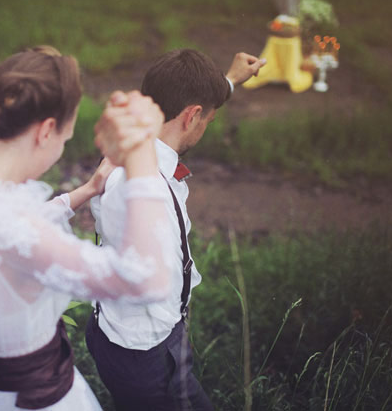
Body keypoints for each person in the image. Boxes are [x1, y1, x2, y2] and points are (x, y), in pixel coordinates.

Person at [0, 45, 177, 411]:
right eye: (64, 140)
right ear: (47, 130)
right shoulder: (14, 230)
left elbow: (5, 239)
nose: (61, 147)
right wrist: (141, 155)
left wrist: (87, 190)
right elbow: (147, 281)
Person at [86, 49, 266, 410]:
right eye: (207, 120)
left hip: (111, 331)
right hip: (146, 352)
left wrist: (227, 82)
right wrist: (175, 334)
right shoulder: (150, 195)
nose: (205, 126)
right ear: (192, 115)